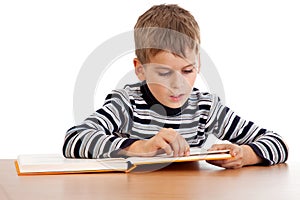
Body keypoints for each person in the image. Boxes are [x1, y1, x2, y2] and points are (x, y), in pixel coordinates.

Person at [63, 4, 288, 169]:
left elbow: (278, 143)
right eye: (163, 73)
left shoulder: (206, 108)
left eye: (188, 71)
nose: (178, 84)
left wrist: (244, 155)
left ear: (198, 64)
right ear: (140, 69)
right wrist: (139, 147)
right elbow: (74, 139)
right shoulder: (126, 104)